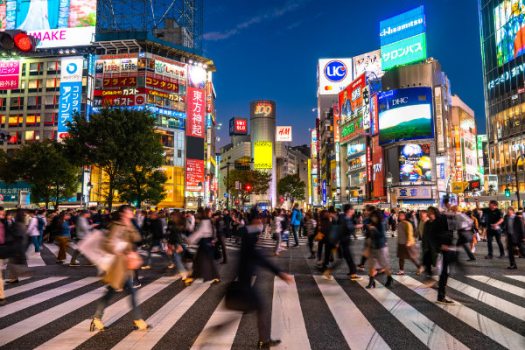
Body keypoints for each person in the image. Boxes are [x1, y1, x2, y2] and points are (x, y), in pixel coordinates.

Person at [228, 210, 292, 349]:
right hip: (244, 282)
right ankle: (263, 341)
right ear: (254, 221)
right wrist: (279, 273)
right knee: (260, 309)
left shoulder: (248, 232)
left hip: (243, 279)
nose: (261, 222)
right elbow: (259, 257)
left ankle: (263, 340)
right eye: (259, 220)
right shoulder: (250, 235)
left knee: (243, 313)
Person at [91, 205, 148, 331]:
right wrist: (120, 249)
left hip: (126, 265)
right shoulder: (116, 226)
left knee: (127, 293)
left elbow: (138, 238)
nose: (131, 213)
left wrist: (130, 226)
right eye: (129, 211)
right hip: (117, 265)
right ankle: (97, 318)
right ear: (123, 213)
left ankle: (137, 320)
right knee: (111, 293)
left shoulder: (129, 225)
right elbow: (107, 244)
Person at [427, 207, 454, 304]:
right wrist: (440, 246)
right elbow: (432, 237)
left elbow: (450, 233)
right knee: (444, 272)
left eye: (429, 213)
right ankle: (441, 296)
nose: (427, 214)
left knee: (445, 272)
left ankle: (441, 295)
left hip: (447, 248)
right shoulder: (435, 222)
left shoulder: (442, 220)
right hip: (445, 249)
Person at [187, 208, 220, 284]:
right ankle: (215, 277)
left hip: (205, 243)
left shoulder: (205, 221)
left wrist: (190, 240)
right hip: (207, 242)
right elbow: (213, 231)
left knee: (200, 261)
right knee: (205, 260)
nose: (211, 213)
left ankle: (194, 276)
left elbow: (199, 232)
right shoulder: (208, 221)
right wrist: (214, 239)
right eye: (210, 212)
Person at [365, 210, 394, 288]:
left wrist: (374, 229)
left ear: (378, 217)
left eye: (374, 216)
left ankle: (389, 278)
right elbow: (369, 235)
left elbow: (381, 235)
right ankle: (371, 282)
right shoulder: (372, 224)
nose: (373, 218)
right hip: (372, 247)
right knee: (371, 265)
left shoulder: (381, 224)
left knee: (385, 265)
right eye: (372, 216)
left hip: (381, 247)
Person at [396, 211, 423, 275]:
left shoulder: (407, 223)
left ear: (405, 216)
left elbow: (409, 233)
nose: (399, 216)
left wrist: (409, 242)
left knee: (412, 257)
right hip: (401, 243)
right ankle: (401, 270)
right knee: (401, 257)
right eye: (399, 215)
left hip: (407, 243)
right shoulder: (400, 223)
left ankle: (420, 267)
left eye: (401, 215)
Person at [167, 211, 191, 282]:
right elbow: (180, 234)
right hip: (179, 243)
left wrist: (177, 245)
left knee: (177, 259)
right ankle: (185, 270)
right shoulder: (180, 223)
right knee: (179, 259)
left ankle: (184, 273)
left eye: (172, 216)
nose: (171, 218)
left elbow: (176, 235)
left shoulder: (175, 224)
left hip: (177, 243)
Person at [340, 204, 363, 281]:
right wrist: (357, 226)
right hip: (344, 240)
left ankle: (351, 272)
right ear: (349, 210)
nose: (353, 210)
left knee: (348, 257)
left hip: (343, 240)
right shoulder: (346, 218)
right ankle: (353, 274)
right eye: (352, 209)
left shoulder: (343, 217)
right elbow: (349, 227)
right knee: (350, 257)